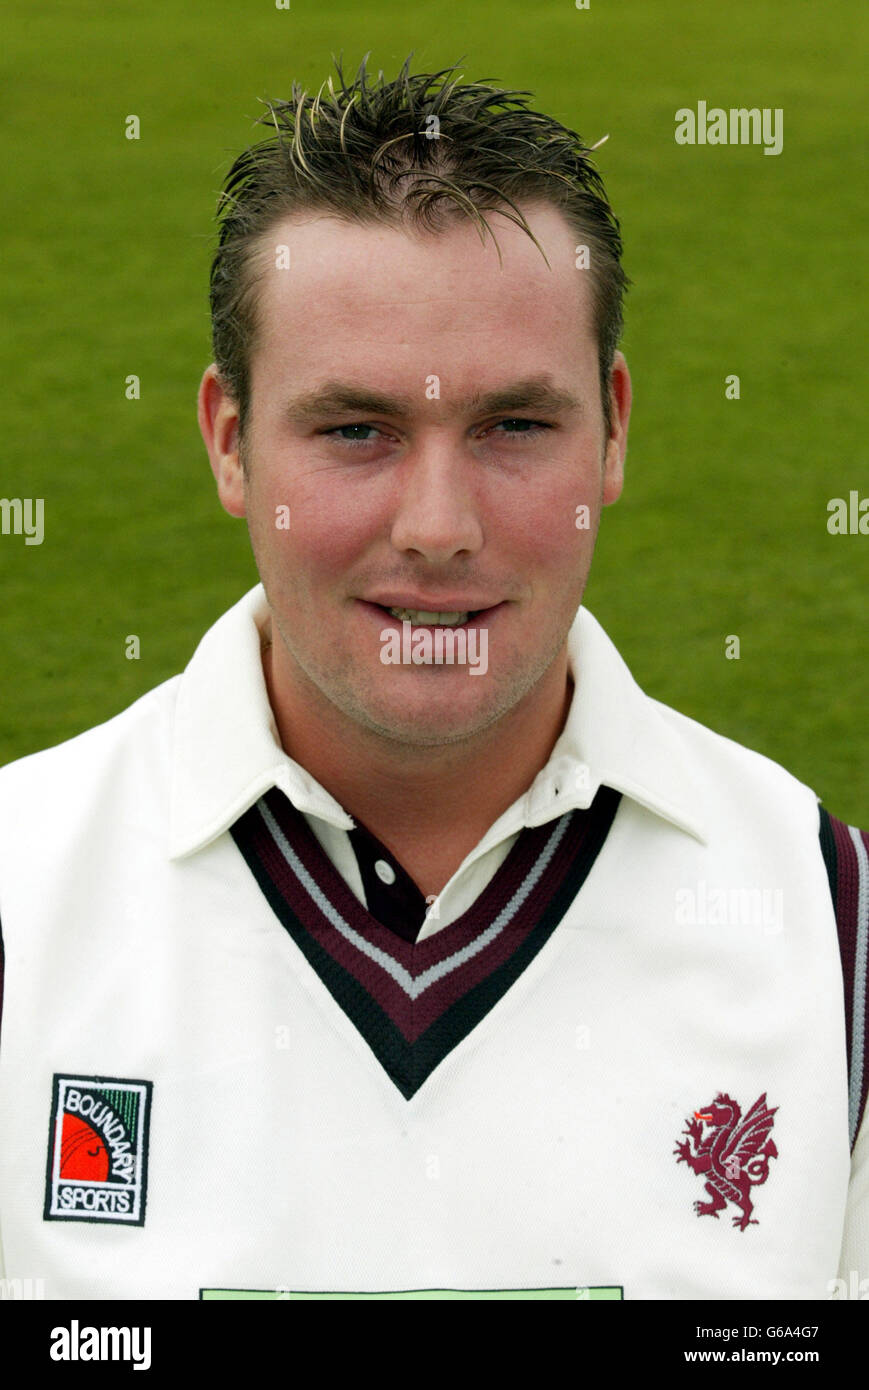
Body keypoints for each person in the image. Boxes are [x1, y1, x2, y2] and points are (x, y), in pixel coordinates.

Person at [0, 56, 865, 1302]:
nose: (439, 526)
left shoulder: (829, 931)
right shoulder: (22, 912)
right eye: (356, 430)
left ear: (612, 430)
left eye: (514, 426)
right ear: (230, 442)